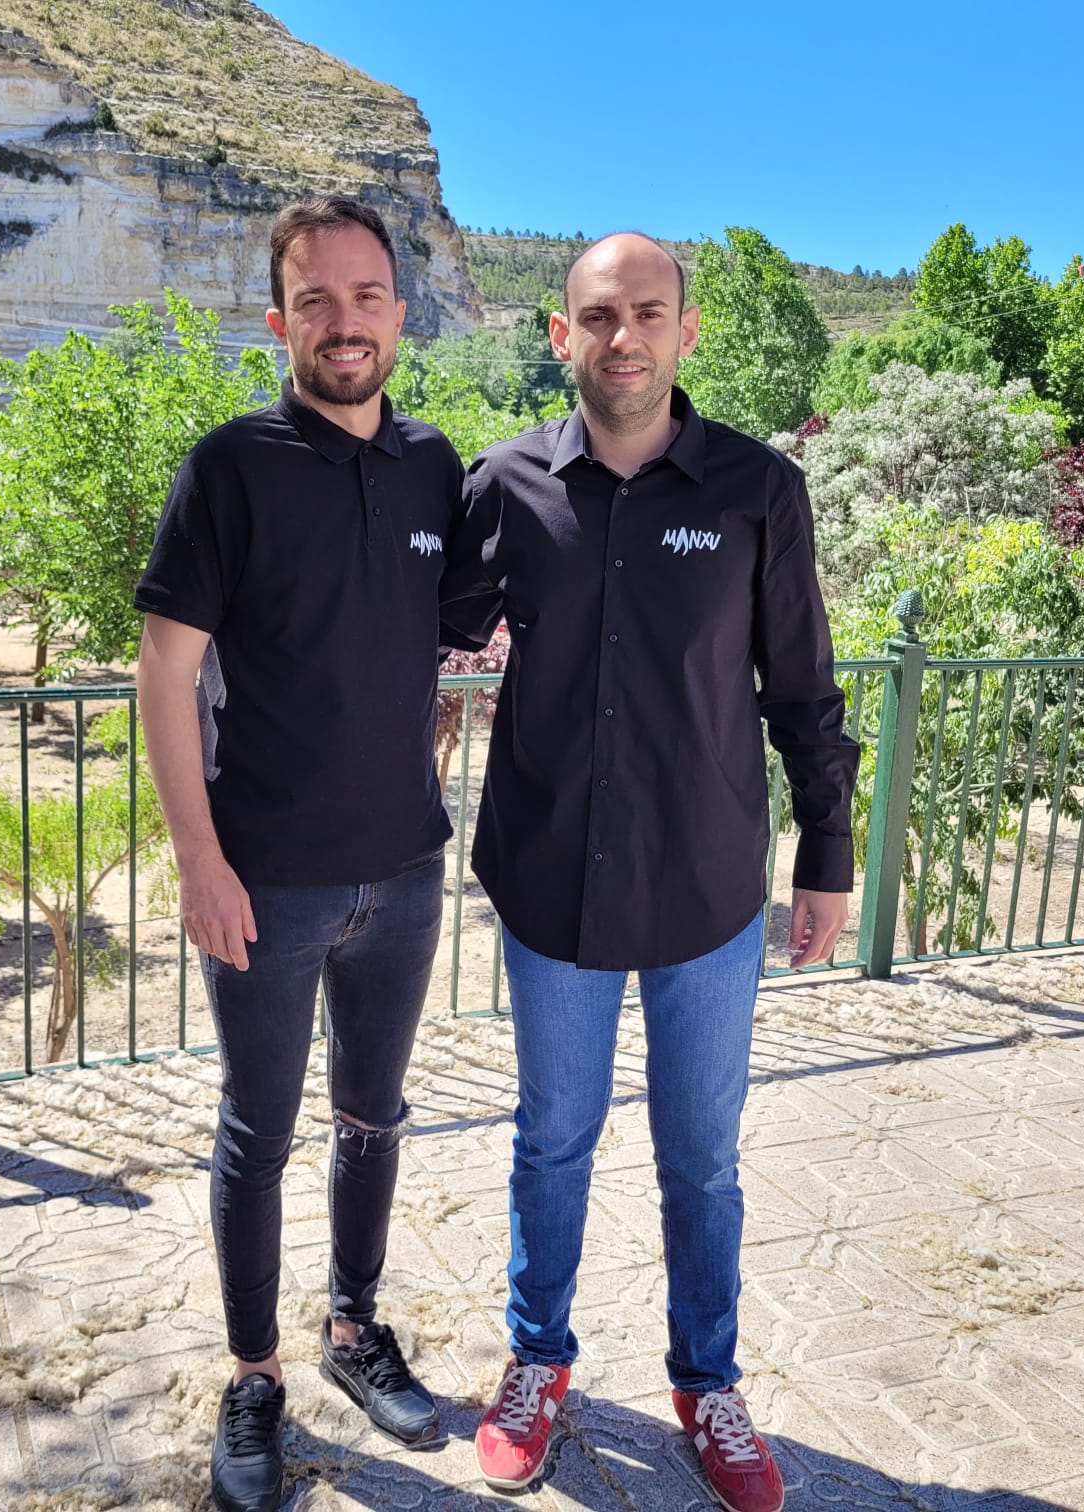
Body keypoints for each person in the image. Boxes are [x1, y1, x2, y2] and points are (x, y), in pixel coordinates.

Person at [440, 231, 861, 1512]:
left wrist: (826, 858)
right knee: (551, 1142)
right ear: (558, 336)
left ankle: (707, 1383)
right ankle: (538, 1363)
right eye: (599, 315)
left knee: (703, 1158)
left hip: (707, 893)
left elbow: (803, 690)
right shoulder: (502, 485)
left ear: (685, 331)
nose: (625, 336)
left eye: (650, 313)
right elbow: (421, 622)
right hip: (551, 884)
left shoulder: (756, 489)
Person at [134, 195, 464, 1512]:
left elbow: (440, 640)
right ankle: (255, 1375)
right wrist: (200, 860)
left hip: (407, 872)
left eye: (366, 295)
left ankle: (353, 1329)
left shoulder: (438, 465)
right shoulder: (229, 468)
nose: (344, 321)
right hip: (263, 877)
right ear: (278, 320)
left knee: (373, 1119)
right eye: (315, 300)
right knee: (259, 1132)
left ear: (401, 310)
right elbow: (165, 672)